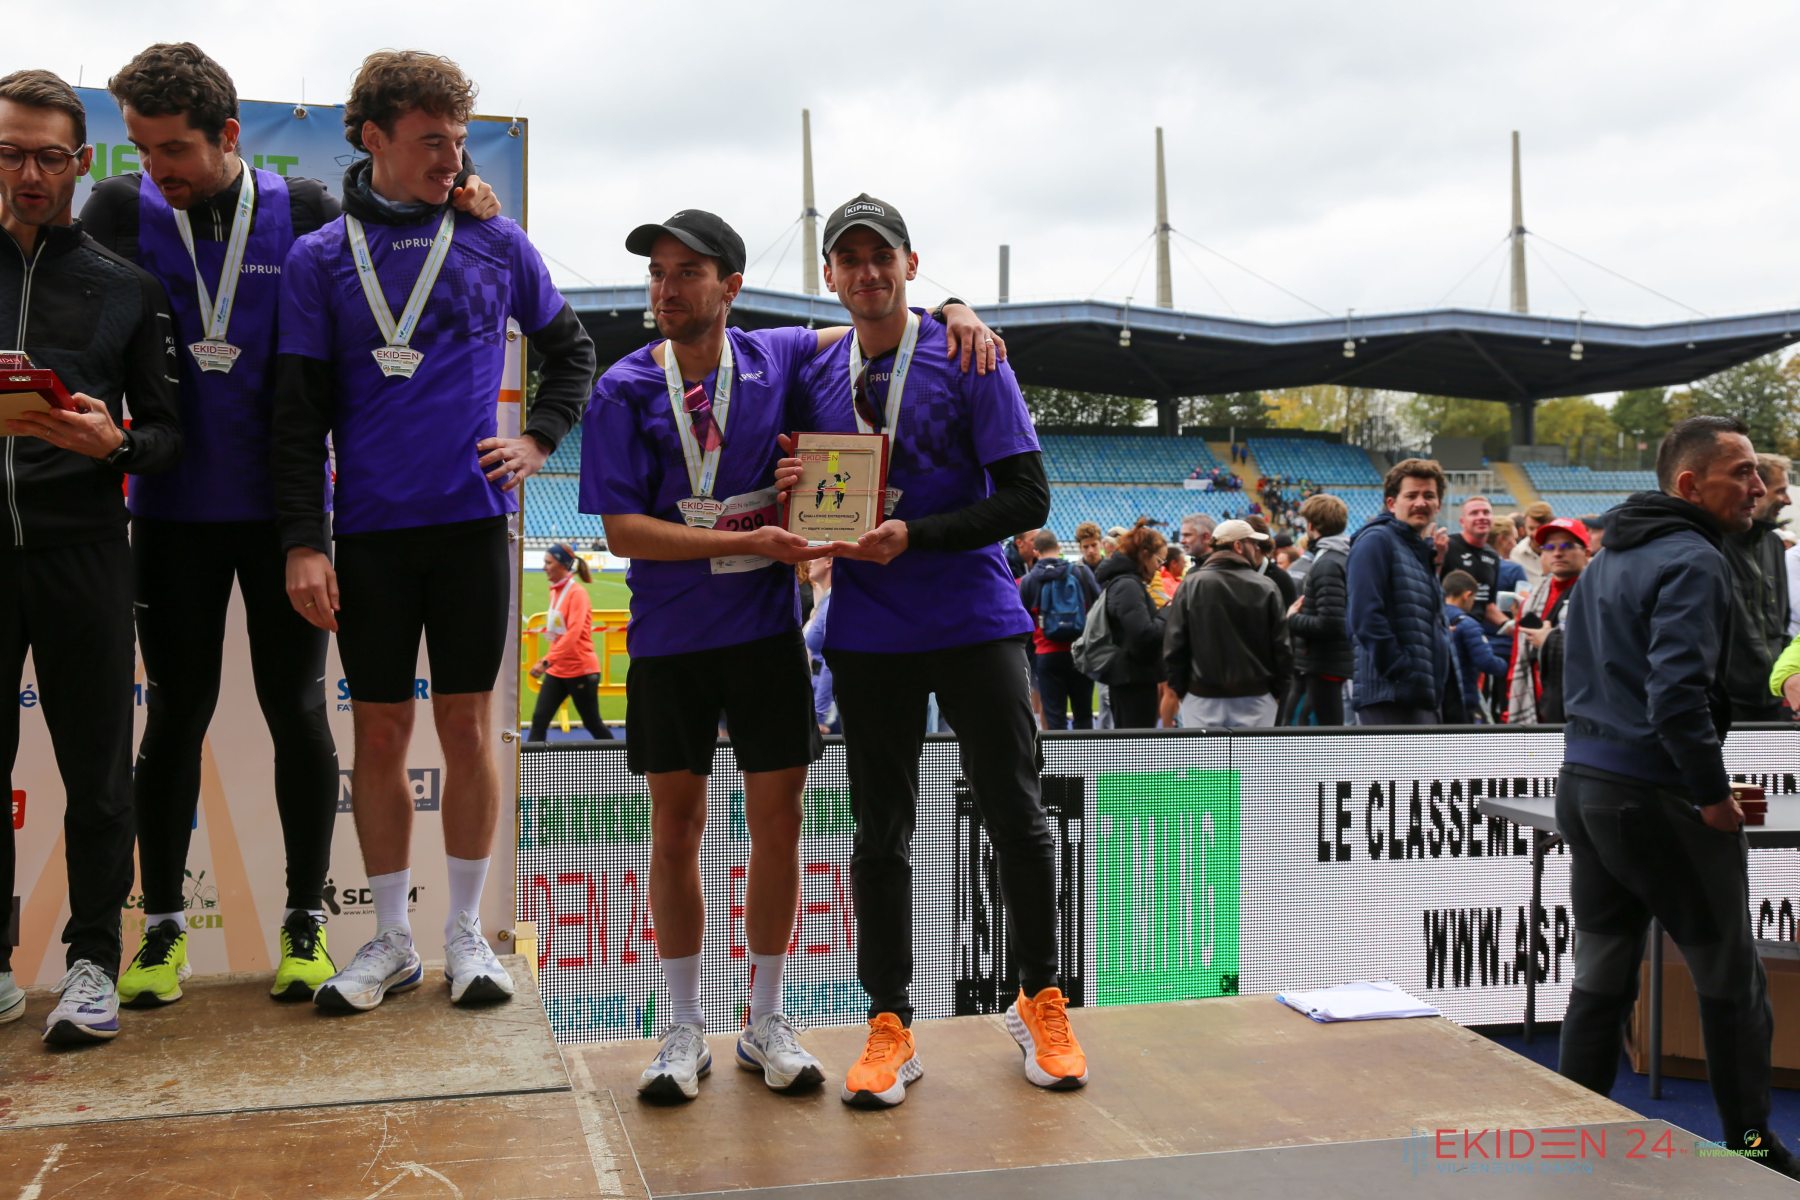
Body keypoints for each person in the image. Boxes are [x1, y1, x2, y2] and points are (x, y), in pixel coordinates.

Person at [82, 42, 491, 1008]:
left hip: (285, 520)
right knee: (174, 718)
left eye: (174, 149)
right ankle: (162, 930)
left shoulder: (305, 209)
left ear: (229, 135)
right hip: (169, 512)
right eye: (141, 148)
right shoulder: (114, 211)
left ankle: (306, 922)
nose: (155, 168)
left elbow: (406, 207)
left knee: (298, 714)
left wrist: (471, 188)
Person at [589, 206, 1001, 1102]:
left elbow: (876, 311)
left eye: (688, 273)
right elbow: (622, 530)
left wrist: (958, 308)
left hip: (765, 636)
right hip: (668, 637)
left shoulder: (776, 356)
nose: (666, 289)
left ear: (730, 286)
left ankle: (765, 1021)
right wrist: (748, 536)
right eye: (658, 274)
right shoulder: (622, 386)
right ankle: (682, 1027)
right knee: (675, 830)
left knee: (779, 825)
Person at [273, 50, 596, 1013]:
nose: (451, 160)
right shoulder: (319, 258)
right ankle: (391, 940)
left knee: (466, 727)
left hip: (470, 529)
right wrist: (304, 539)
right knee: (378, 734)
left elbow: (571, 350)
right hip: (371, 535)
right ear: (373, 137)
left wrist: (539, 438)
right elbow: (297, 415)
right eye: (430, 142)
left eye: (458, 142)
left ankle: (464, 933)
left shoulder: (495, 240)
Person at [789, 193, 1085, 1107]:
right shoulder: (814, 363)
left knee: (1018, 817)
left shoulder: (969, 356)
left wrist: (916, 535)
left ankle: (1039, 999)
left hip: (973, 622)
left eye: (883, 256)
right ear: (829, 275)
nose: (867, 272)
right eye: (850, 259)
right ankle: (889, 1022)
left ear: (910, 267)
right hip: (869, 632)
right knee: (880, 834)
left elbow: (1028, 498)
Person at [1556, 415, 1800, 1180]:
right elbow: (1675, 695)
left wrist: (1695, 780)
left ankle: (1572, 1144)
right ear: (1691, 484)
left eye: (1759, 472)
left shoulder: (1607, 557)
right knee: (1732, 982)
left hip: (1586, 788)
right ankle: (1753, 1154)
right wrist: (1710, 794)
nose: (1760, 487)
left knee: (1601, 976)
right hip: (1653, 797)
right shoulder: (1695, 557)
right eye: (1742, 472)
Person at [0, 69, 182, 1042]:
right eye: (9, 153)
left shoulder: (125, 287)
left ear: (80, 162)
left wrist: (116, 445)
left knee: (99, 774)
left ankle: (93, 964)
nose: (29, 174)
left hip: (85, 554)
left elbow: (168, 435)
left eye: (48, 156)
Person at [1345, 459, 1451, 725]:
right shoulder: (1376, 541)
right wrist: (1401, 670)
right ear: (1392, 503)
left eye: (1429, 495)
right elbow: (1365, 617)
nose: (1420, 503)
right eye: (1411, 495)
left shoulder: (1417, 550)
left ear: (1438, 504)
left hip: (1419, 695)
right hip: (1390, 696)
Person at [1164, 519, 1290, 728]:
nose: (1256, 549)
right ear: (1238, 546)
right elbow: (1281, 646)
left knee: (1206, 751)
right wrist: (1278, 691)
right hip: (1255, 697)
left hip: (1202, 696)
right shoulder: (1265, 586)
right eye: (1252, 543)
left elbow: (1174, 644)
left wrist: (1181, 689)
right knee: (1253, 751)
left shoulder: (1191, 584)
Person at [1722, 453, 1790, 721]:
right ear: (1753, 490)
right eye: (1780, 491)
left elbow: (1781, 626)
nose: (1787, 500)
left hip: (1773, 704)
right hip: (1727, 710)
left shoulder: (1773, 545)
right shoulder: (1713, 547)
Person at [1505, 518, 1588, 724]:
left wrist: (1550, 641)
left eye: (1567, 546)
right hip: (1538, 706)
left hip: (1582, 708)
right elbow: (1517, 659)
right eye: (1550, 547)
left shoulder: (1598, 594)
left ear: (1586, 553)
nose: (1557, 553)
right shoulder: (1532, 601)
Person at [526, 544, 612, 743]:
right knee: (539, 720)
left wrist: (546, 661)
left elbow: (573, 634)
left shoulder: (577, 594)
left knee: (592, 722)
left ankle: (623, 760)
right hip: (558, 670)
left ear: (563, 564)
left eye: (548, 563)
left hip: (581, 670)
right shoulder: (555, 591)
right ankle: (532, 763)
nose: (544, 567)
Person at [1018, 529, 1100, 730]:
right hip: (1079, 651)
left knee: (1055, 719)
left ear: (1036, 551)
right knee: (1084, 715)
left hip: (1047, 654)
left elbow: (1023, 623)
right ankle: (1085, 750)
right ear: (1059, 547)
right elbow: (1097, 606)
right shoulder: (1081, 572)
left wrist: (1031, 657)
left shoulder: (1029, 581)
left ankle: (1059, 751)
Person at [1090, 521, 1169, 729]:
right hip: (1133, 680)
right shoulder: (1128, 585)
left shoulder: (1127, 582)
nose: (1159, 567)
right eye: (1158, 560)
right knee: (1136, 742)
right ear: (1145, 554)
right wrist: (1168, 613)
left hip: (1132, 678)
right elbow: (1143, 635)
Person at [1286, 493, 1352, 726]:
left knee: (1319, 733)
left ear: (1311, 526)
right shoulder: (1339, 557)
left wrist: (1292, 618)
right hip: (1329, 662)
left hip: (1325, 664)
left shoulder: (1328, 563)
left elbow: (1330, 622)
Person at [1442, 570, 1509, 723]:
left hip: (1438, 699)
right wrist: (1507, 664)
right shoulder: (1467, 624)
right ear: (1467, 595)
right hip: (1462, 700)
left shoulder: (1434, 618)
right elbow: (1486, 662)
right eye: (1473, 599)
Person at [802, 558, 838, 733]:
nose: (809, 561)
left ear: (829, 562)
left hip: (828, 709)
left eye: (816, 555)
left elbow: (830, 662)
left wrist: (820, 715)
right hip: (816, 696)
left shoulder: (832, 603)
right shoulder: (825, 601)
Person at [1511, 501, 1553, 589]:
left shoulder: (1562, 552)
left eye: (1540, 528)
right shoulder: (1516, 555)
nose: (1535, 533)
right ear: (1524, 528)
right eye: (1531, 528)